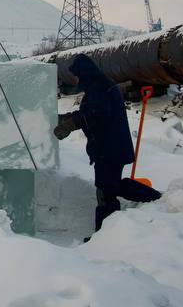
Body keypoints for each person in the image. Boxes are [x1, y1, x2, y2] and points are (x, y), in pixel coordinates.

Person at [54, 53, 161, 233]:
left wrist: (70, 125)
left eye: (78, 75)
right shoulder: (99, 86)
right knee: (112, 186)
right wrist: (66, 118)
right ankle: (154, 198)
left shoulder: (100, 88)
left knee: (105, 193)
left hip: (110, 149)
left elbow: (95, 115)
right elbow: (89, 112)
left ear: (85, 73)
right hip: (110, 148)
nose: (77, 79)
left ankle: (104, 234)